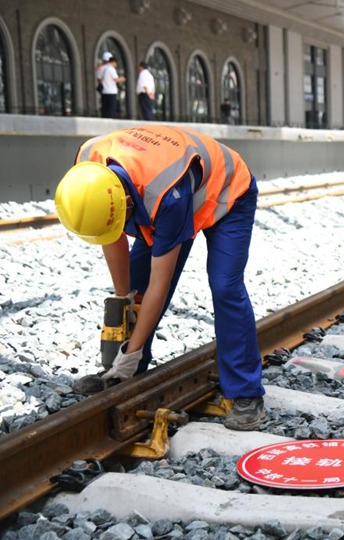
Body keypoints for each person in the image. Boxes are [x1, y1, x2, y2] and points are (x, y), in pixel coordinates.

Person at [54, 125, 266, 431]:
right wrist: (123, 299)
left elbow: (160, 285)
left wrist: (130, 348)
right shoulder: (88, 171)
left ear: (125, 202)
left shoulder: (166, 195)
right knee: (136, 284)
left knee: (225, 286)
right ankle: (127, 370)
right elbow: (110, 237)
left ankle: (246, 392)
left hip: (227, 195)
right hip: (172, 186)